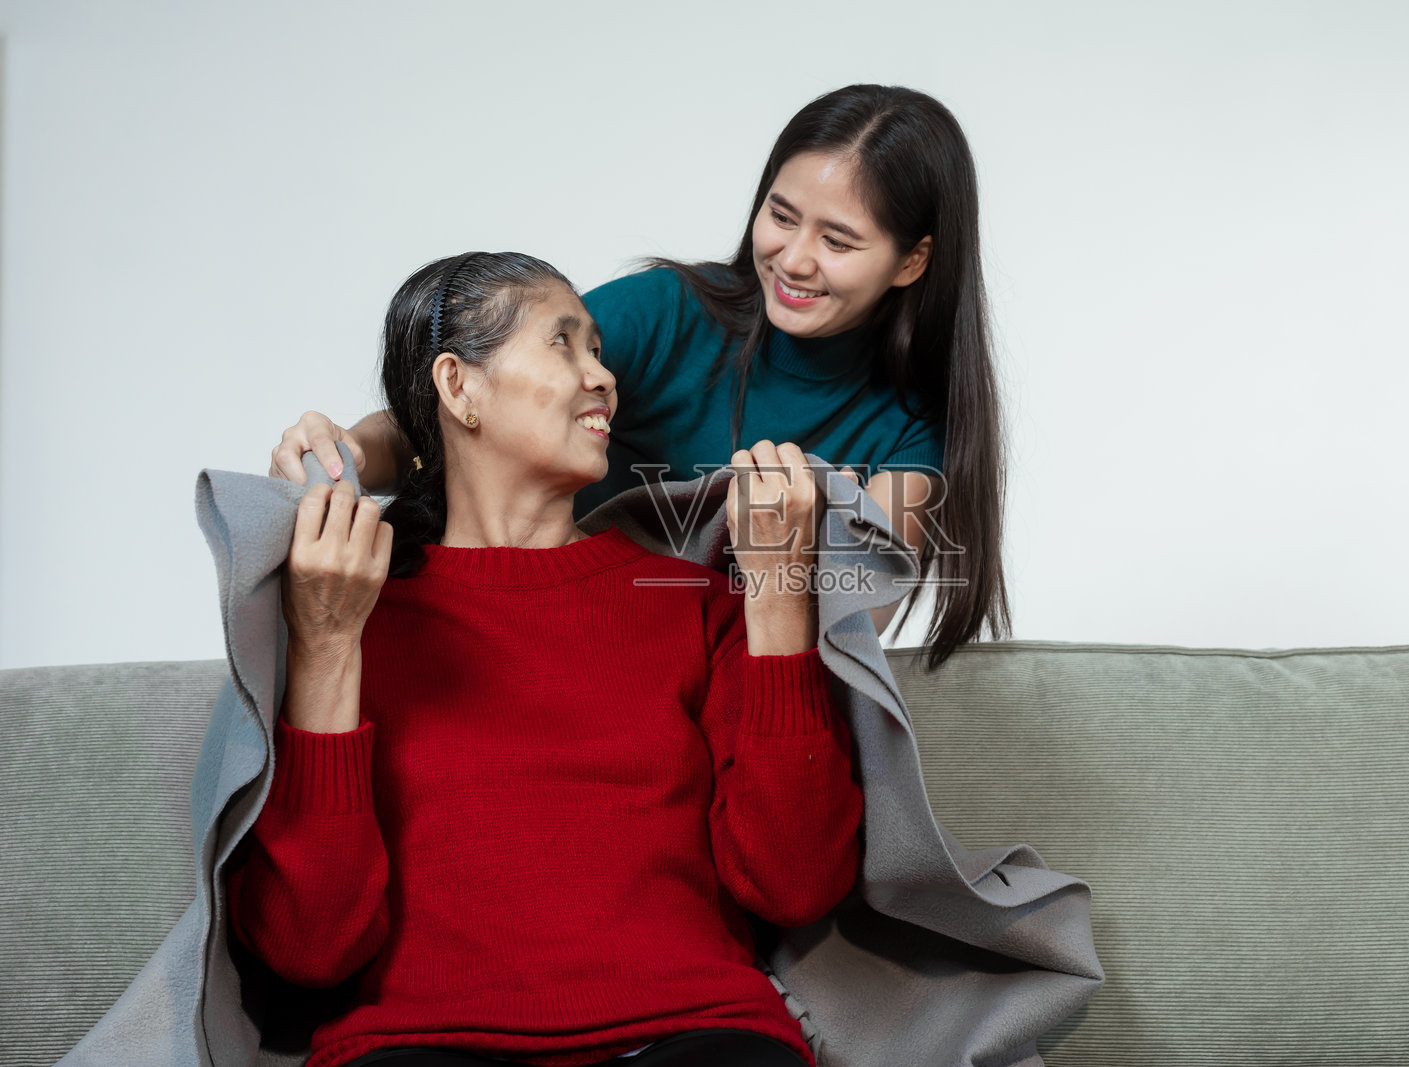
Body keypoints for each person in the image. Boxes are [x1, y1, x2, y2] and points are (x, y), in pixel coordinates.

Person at [229, 251, 863, 1067]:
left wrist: (778, 597)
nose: (603, 377)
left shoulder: (693, 599)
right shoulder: (347, 606)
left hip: (691, 1033)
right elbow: (309, 946)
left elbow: (796, 882)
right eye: (564, 344)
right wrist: (324, 643)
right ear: (459, 387)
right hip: (424, 1045)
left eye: (599, 349)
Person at [269, 84, 1007, 668]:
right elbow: (486, 398)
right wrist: (350, 452)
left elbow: (845, 635)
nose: (794, 259)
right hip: (539, 632)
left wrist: (779, 554)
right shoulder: (670, 312)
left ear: (912, 261)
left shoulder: (916, 434)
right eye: (781, 216)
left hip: (714, 690)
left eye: (839, 240)